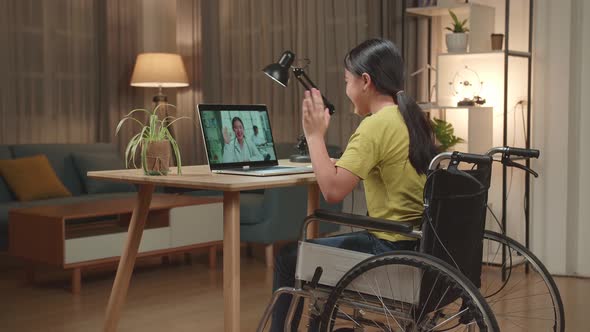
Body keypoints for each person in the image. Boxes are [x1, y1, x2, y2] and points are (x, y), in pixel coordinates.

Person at [270, 38, 438, 331]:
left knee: (288, 258)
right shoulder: (410, 118)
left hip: (388, 249)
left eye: (347, 81)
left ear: (365, 81)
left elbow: (332, 191)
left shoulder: (374, 126)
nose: (346, 91)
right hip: (418, 245)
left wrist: (314, 136)